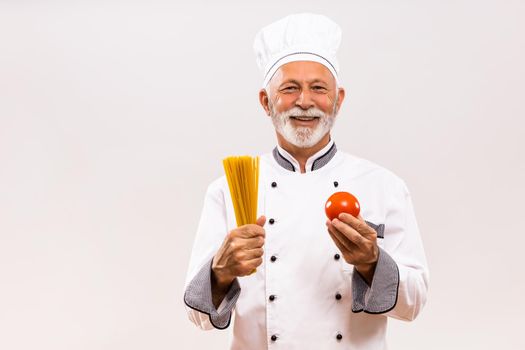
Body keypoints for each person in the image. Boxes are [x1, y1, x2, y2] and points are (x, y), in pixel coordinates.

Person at [183, 13, 429, 350]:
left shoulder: (384, 186)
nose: (304, 101)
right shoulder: (228, 189)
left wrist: (372, 261)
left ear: (338, 100)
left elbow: (414, 303)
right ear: (265, 102)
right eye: (289, 88)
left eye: (318, 88)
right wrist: (219, 272)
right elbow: (196, 315)